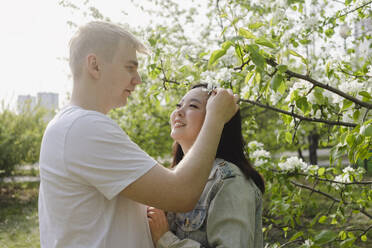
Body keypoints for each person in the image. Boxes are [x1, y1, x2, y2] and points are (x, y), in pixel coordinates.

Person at [38, 21, 239, 248]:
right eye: (130, 67)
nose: (138, 79)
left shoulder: (71, 125)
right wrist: (215, 117)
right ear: (95, 66)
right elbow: (181, 193)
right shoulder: (83, 128)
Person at [147, 84, 265, 248]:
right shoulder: (171, 177)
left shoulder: (228, 180)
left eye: (193, 106)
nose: (179, 112)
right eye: (178, 105)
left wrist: (165, 239)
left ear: (218, 118)